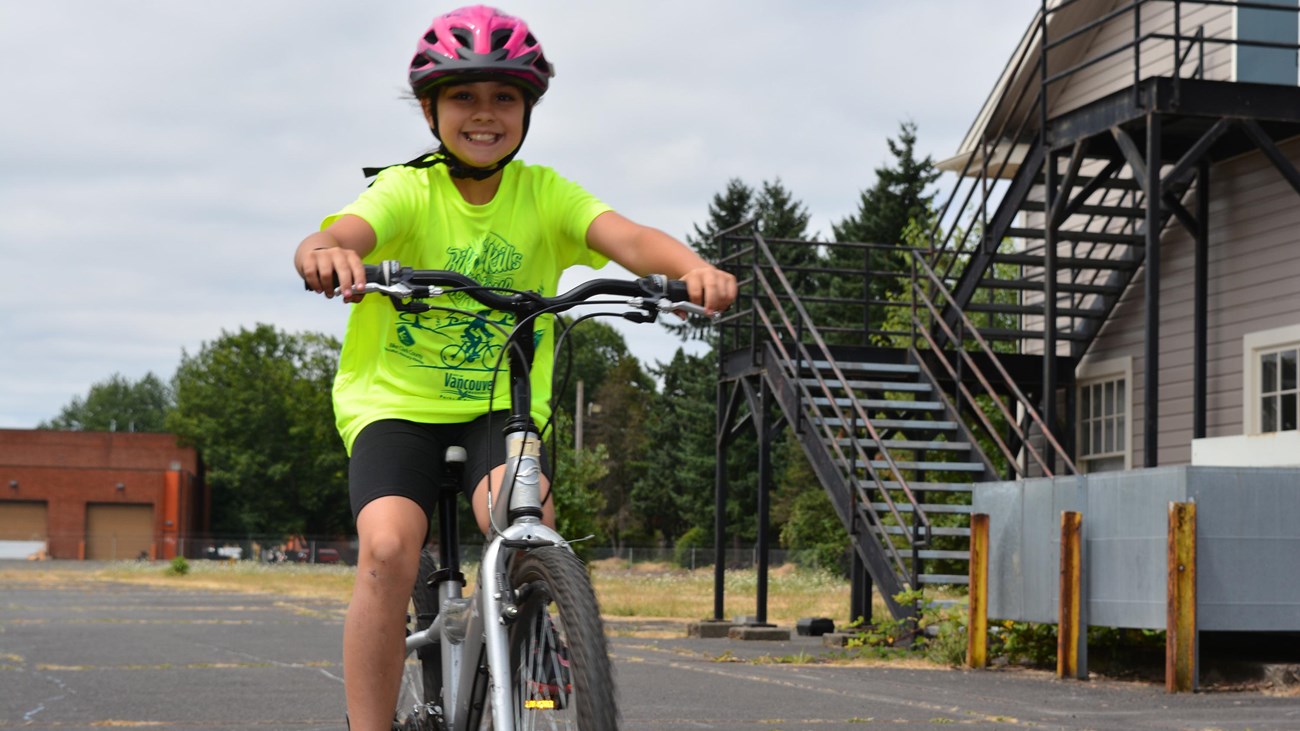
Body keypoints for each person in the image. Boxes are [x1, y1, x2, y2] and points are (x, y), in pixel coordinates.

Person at [293, 6, 736, 729]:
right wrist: (325, 250)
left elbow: (626, 236)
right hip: (395, 405)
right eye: (464, 96)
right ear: (432, 108)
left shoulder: (544, 194)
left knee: (525, 518)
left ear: (528, 108)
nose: (484, 114)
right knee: (387, 547)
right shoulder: (410, 190)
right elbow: (344, 230)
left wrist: (693, 270)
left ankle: (533, 668)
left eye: (504, 97)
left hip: (502, 403)